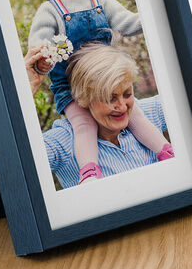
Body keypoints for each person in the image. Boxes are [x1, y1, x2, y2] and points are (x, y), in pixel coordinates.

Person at [25, 0, 173, 184]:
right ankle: (90, 172)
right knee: (84, 125)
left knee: (136, 114)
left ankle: (166, 154)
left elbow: (127, 23)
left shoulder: (99, 0)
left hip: (106, 79)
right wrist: (42, 58)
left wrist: (155, 14)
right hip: (70, 86)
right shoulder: (50, 9)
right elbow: (38, 42)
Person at [39, 43, 170, 189]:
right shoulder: (63, 142)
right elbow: (15, 162)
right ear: (84, 98)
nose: (122, 106)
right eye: (110, 98)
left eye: (127, 94)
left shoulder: (151, 112)